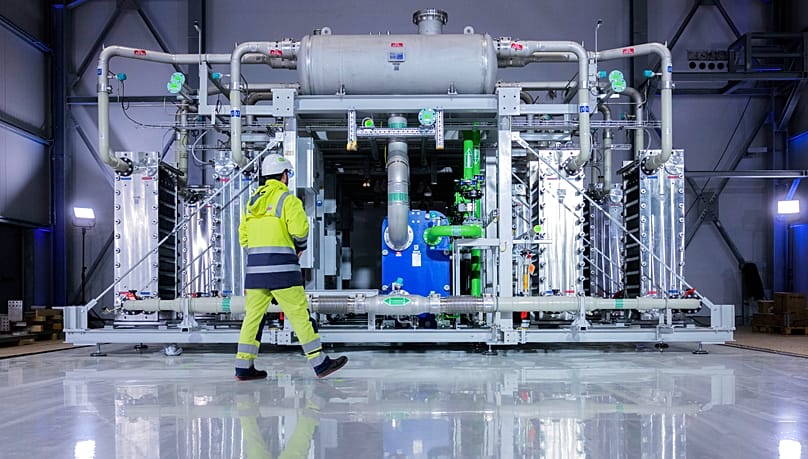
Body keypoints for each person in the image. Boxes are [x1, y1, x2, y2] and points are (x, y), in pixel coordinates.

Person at [235, 153, 348, 381]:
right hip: (282, 270)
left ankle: (243, 368)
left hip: (255, 272)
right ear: (284, 175)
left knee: (252, 318)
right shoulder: (287, 200)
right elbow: (300, 231)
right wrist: (299, 247)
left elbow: (243, 239)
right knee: (299, 315)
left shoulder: (251, 203)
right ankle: (320, 363)